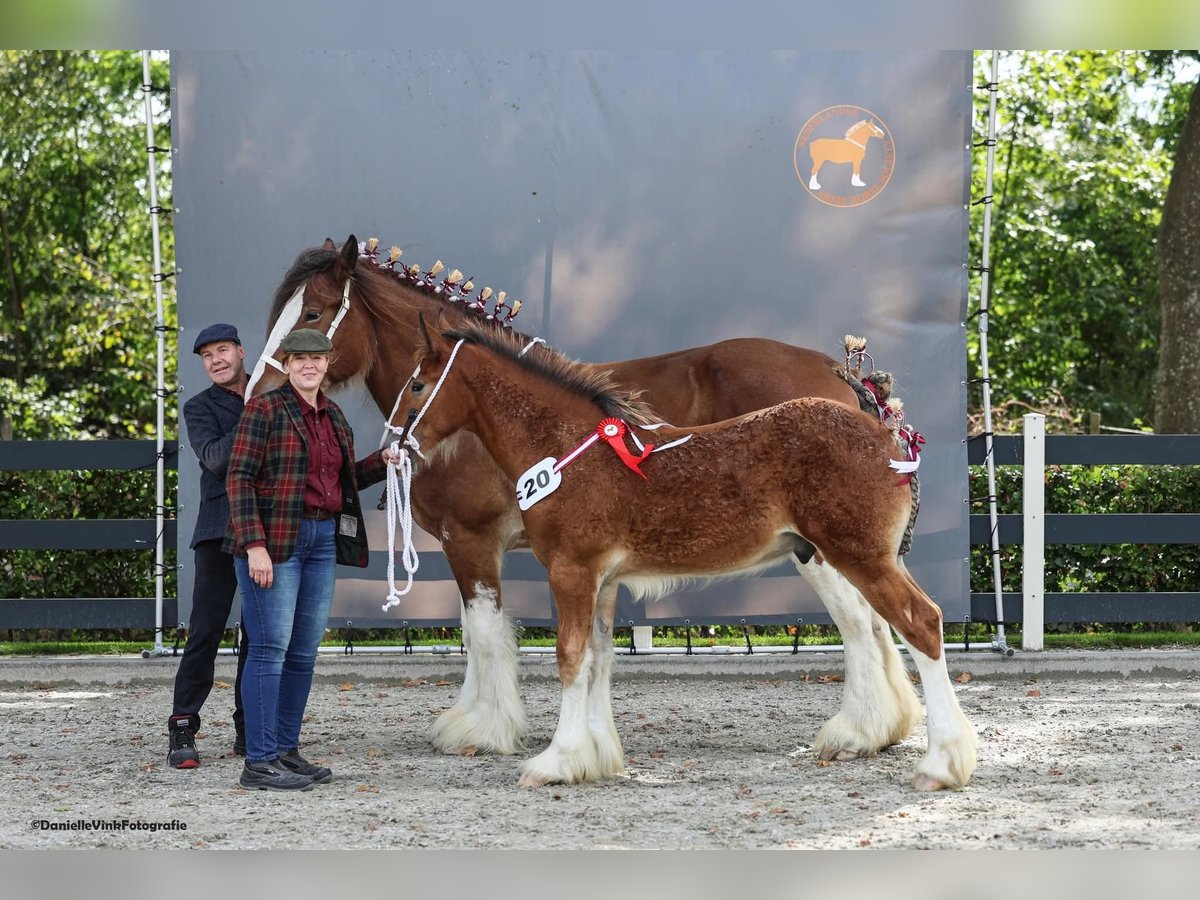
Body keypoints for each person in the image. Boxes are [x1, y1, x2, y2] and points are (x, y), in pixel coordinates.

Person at [224, 328, 400, 791]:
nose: (308, 366)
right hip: (275, 542)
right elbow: (238, 478)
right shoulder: (264, 408)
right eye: (299, 358)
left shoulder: (334, 416)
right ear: (287, 364)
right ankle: (258, 762)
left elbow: (341, 483)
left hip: (322, 540)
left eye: (316, 359)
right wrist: (253, 545)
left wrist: (382, 461)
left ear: (326, 365)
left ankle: (285, 749)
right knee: (268, 649)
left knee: (302, 653)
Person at [168, 323, 252, 769]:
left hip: (267, 529)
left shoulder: (272, 392)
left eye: (223, 350)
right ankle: (183, 725)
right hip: (219, 529)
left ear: (241, 351)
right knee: (204, 631)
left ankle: (248, 727)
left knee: (257, 636)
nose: (216, 360)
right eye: (207, 355)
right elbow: (216, 458)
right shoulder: (199, 407)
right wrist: (256, 413)